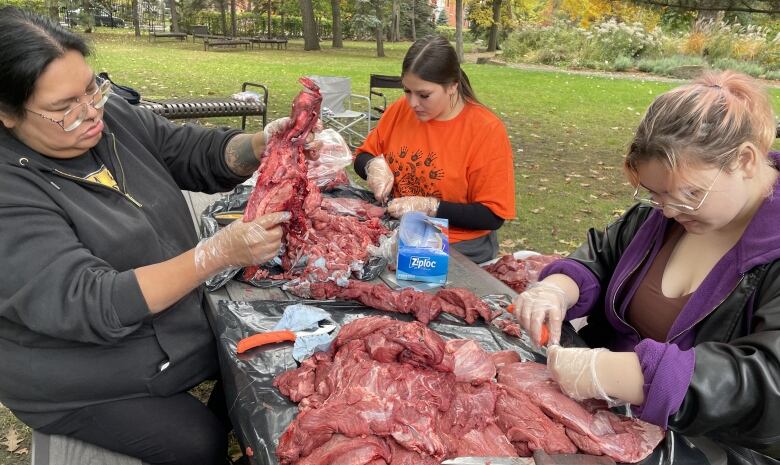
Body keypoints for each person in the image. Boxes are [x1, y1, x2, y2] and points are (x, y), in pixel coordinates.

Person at [0, 8, 317, 465]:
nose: (91, 113)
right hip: (74, 373)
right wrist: (215, 254)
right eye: (63, 108)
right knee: (197, 444)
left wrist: (261, 146)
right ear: (7, 114)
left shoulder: (109, 123)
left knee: (265, 368)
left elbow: (188, 150)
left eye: (92, 88)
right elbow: (90, 301)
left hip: (169, 328)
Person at [513, 70, 780, 462]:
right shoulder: (661, 221)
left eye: (689, 194)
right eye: (658, 195)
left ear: (744, 160)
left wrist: (624, 375)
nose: (670, 210)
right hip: (608, 422)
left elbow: (768, 380)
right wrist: (557, 288)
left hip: (713, 448)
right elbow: (602, 256)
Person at [353, 35, 516, 264]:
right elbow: (362, 156)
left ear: (452, 86)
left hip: (459, 246)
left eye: (424, 95)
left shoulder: (485, 130)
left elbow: (492, 215)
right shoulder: (401, 111)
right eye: (406, 91)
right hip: (398, 231)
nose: (412, 103)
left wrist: (431, 206)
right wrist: (373, 166)